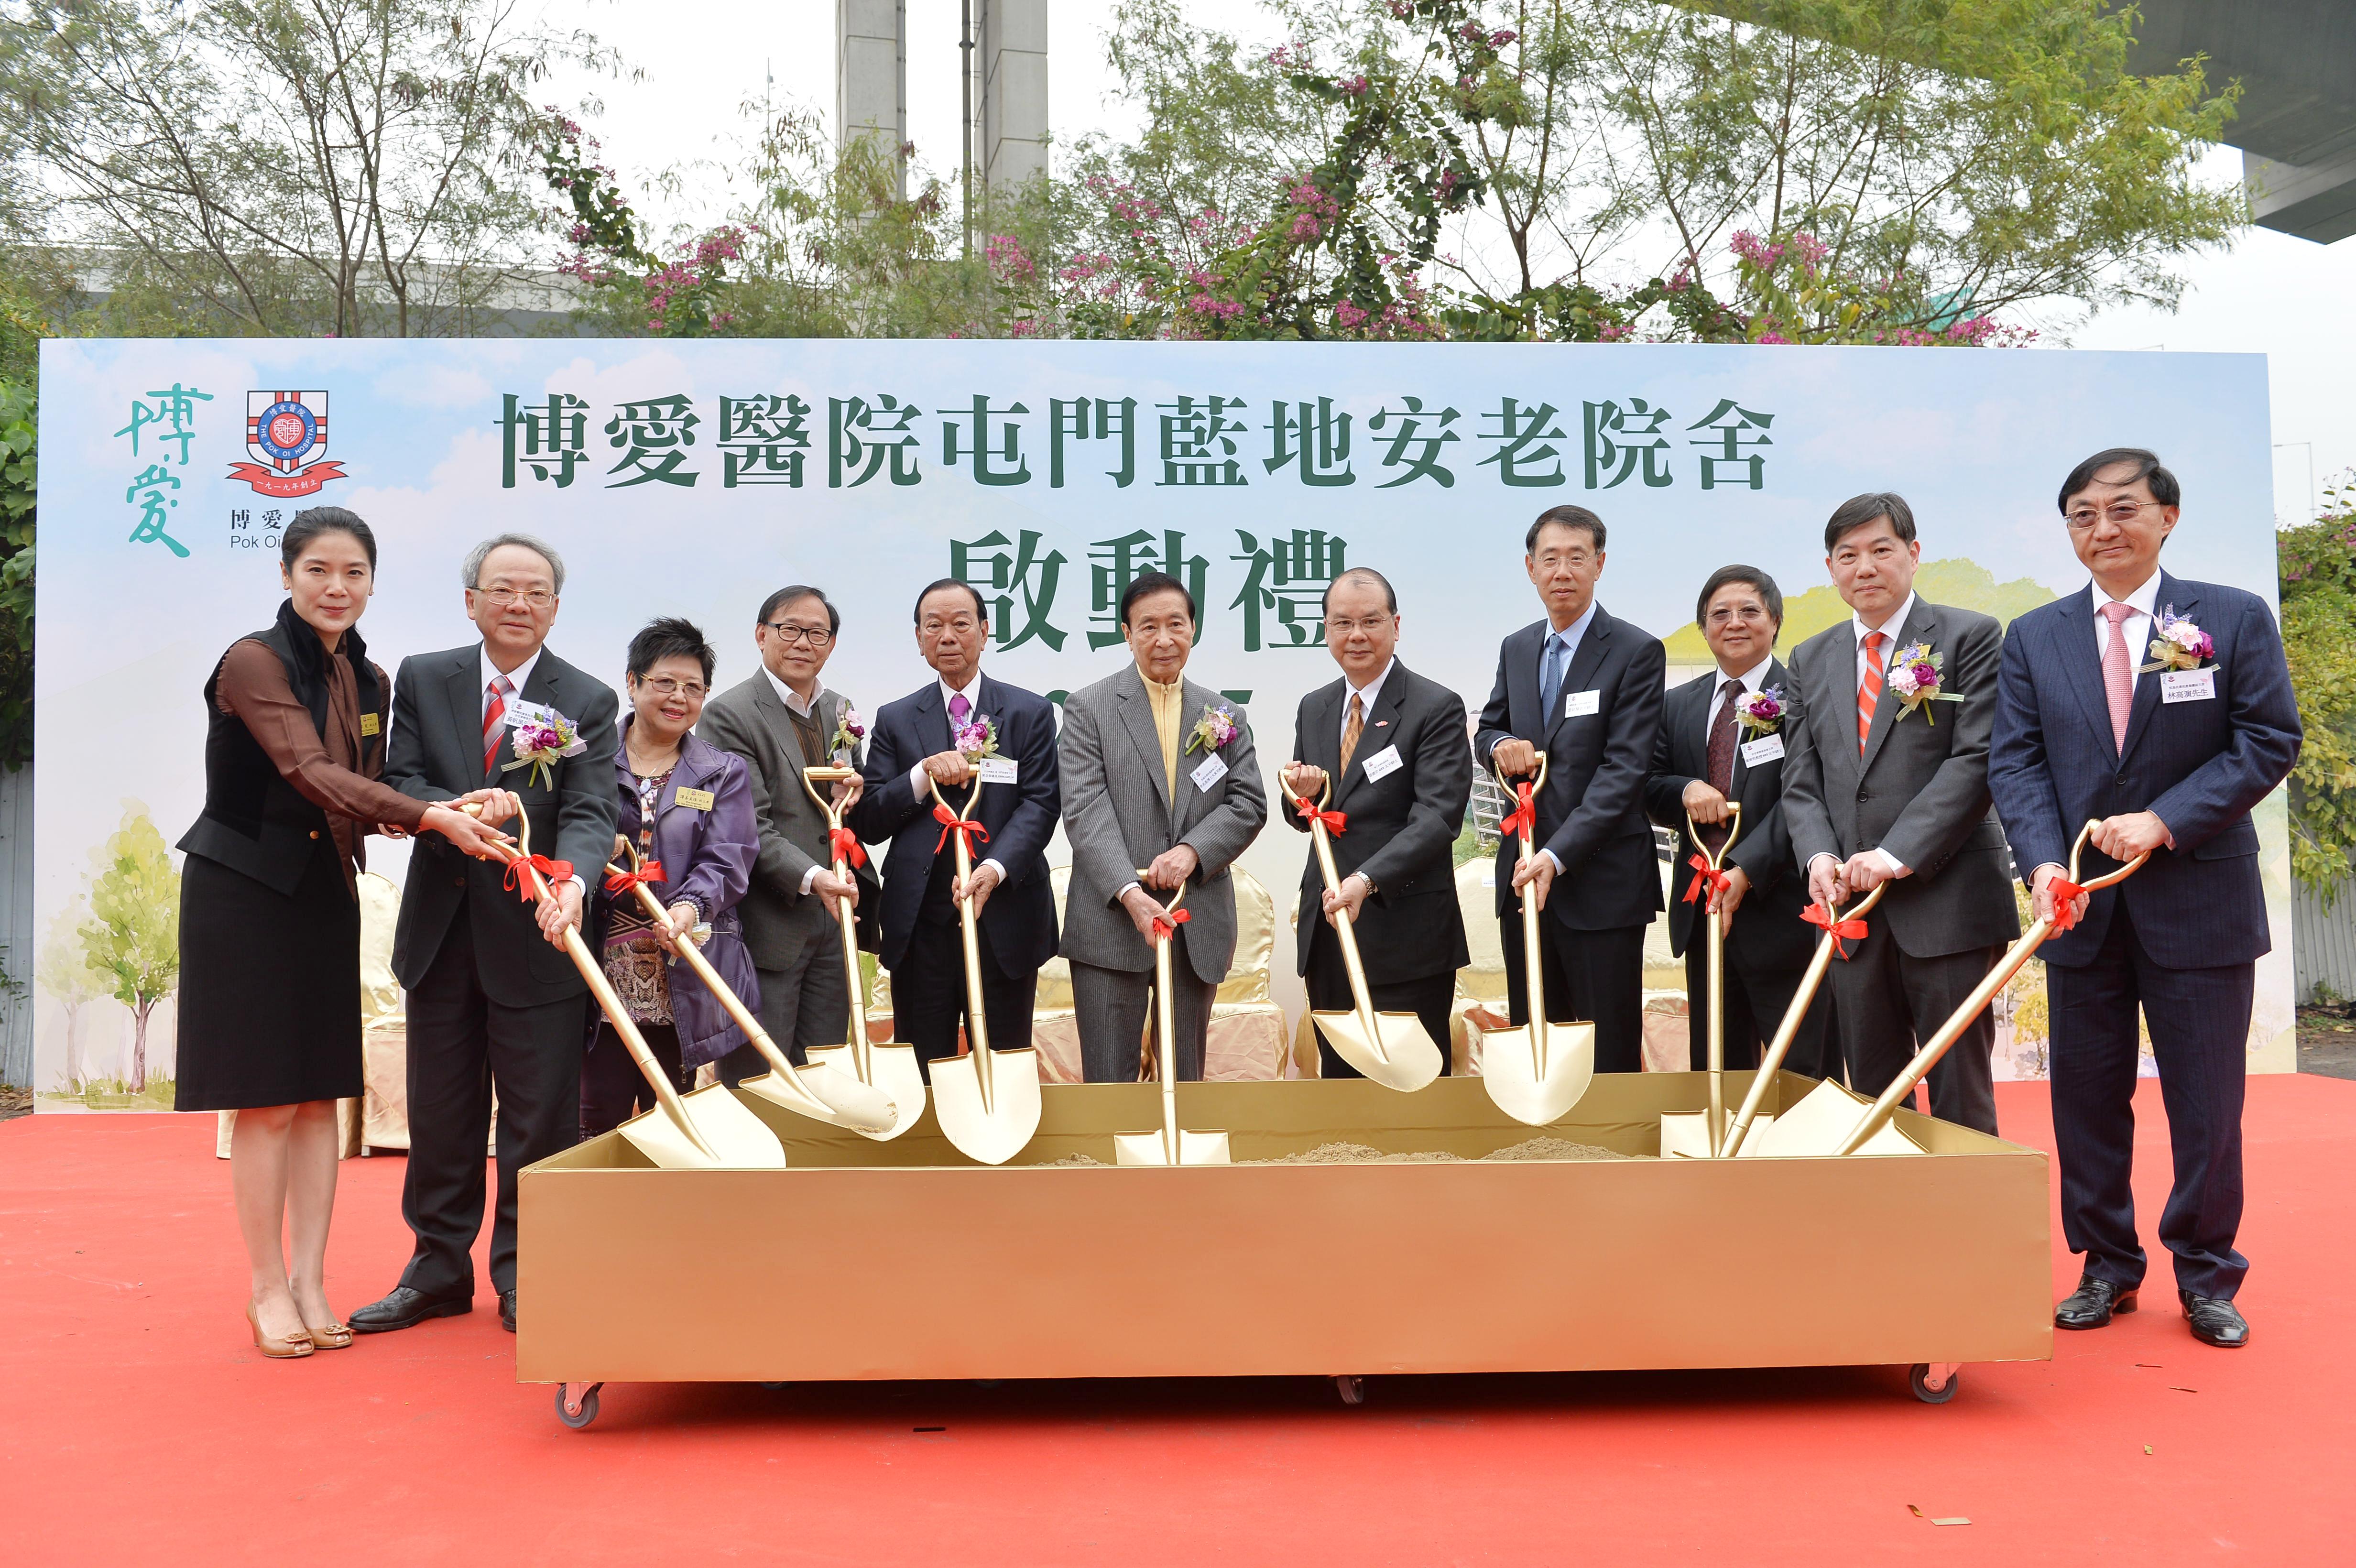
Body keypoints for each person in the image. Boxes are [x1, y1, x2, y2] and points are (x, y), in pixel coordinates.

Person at [175, 508, 507, 1358]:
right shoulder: (253, 662)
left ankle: (313, 1281)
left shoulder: (369, 675)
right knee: (269, 1099)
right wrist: (429, 815)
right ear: (286, 576)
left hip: (324, 888)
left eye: (354, 573)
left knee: (322, 1094)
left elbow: (374, 790)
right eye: (319, 570)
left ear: (371, 583)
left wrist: (448, 808)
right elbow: (311, 773)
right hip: (243, 890)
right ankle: (265, 1287)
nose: (337, 588)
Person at [1989, 449, 2300, 1349]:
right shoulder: (2034, 637)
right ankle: (2103, 1266)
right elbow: (2015, 763)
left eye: (2121, 509)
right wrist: (2046, 866)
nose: (2102, 530)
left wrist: (2163, 820)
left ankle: (2205, 1276)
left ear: (2167, 516)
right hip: (2078, 907)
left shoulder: (2229, 619)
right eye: (2081, 515)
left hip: (2197, 900)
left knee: (2205, 1103)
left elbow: (2265, 740)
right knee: (2084, 1098)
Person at [352, 534, 619, 1337]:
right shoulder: (427, 677)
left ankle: (526, 1276)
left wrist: (569, 885)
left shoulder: (589, 698)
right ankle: (436, 1269)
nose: (519, 605)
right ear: (471, 600)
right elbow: (401, 782)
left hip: (539, 934)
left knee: (540, 1120)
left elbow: (588, 811)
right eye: (503, 590)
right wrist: (463, 811)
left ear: (555, 608)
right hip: (442, 929)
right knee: (441, 1114)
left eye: (536, 592)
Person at [1779, 493, 2019, 1134]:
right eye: (1848, 556)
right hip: (1850, 911)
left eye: (1881, 550)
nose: (1865, 568)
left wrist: (1894, 855)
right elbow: (1800, 780)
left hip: (1946, 900)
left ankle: (1967, 1226)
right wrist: (1819, 854)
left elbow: (1976, 761)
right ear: (1829, 568)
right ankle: (1894, 1224)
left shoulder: (1969, 636)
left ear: (1913, 554)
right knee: (1872, 1088)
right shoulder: (1809, 658)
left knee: (1958, 1090)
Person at [1473, 506, 1665, 1073]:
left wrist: (1557, 856)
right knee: (1535, 1040)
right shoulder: (1517, 646)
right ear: (1529, 568)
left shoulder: (1635, 651)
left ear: (1599, 565)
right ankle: (1542, 1158)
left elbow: (1623, 770)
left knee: (1605, 1051)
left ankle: (1614, 1160)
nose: (1562, 571)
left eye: (1576, 558)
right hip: (1523, 877)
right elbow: (1488, 728)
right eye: (1549, 558)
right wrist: (1499, 743)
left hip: (1600, 882)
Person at [847, 580, 1061, 1080]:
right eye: (934, 626)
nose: (948, 636)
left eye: (961, 623)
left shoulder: (1028, 712)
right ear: (919, 639)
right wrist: (920, 775)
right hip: (922, 922)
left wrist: (993, 868)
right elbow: (871, 818)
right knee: (925, 1062)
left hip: (1005, 912)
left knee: (1004, 1061)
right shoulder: (896, 719)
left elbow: (1040, 803)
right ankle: (927, 1156)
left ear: (985, 632)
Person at [1060, 572, 1269, 1082]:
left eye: (1175, 624)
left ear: (1193, 629)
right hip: (1110, 920)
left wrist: (1191, 852)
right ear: (1126, 634)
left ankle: (1180, 1167)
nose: (1163, 639)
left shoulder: (1223, 713)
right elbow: (1085, 809)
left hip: (1192, 918)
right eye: (1147, 626)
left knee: (1184, 1079)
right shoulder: (1088, 708)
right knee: (1109, 1082)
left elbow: (1248, 802)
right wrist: (1131, 894)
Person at [1277, 567, 1472, 1078]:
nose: (1356, 635)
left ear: (1395, 625)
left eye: (1370, 621)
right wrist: (1301, 795)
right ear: (1325, 630)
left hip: (1404, 930)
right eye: (1342, 623)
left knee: (1413, 1090)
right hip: (1330, 927)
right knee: (1343, 1090)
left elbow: (1437, 818)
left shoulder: (1435, 706)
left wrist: (1365, 879)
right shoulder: (1314, 707)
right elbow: (1312, 811)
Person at [1643, 566, 1833, 1077]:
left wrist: (1745, 869)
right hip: (1704, 916)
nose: (1734, 623)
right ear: (1703, 628)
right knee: (1716, 1070)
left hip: (1782, 913)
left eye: (1748, 611)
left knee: (1803, 1074)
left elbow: (1808, 796)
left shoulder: (1803, 696)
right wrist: (1684, 789)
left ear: (1774, 621)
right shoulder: (1676, 704)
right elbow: (1648, 786)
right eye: (1718, 614)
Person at [580, 618, 762, 1137]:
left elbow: (729, 856)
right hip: (601, 977)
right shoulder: (590, 761)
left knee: (676, 1123)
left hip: (683, 967)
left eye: (693, 687)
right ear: (632, 682)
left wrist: (689, 907)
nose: (679, 696)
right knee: (596, 1120)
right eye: (664, 682)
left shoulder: (722, 771)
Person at [697, 586, 877, 1076]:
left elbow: (841, 810)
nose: (803, 642)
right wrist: (816, 878)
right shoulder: (729, 714)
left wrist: (854, 794)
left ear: (831, 644)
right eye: (790, 629)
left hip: (832, 928)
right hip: (767, 927)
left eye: (817, 633)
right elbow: (745, 826)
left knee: (826, 1076)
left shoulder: (840, 710)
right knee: (760, 1080)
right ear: (761, 635)